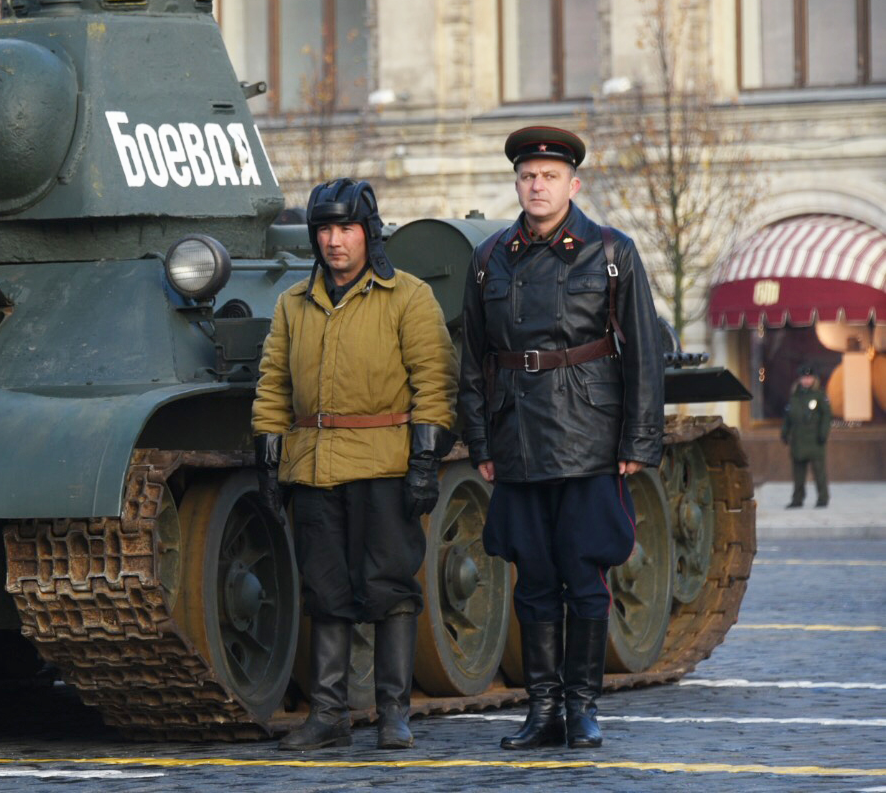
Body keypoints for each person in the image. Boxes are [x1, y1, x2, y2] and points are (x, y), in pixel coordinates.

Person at [457, 127, 663, 751]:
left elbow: (643, 355)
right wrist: (481, 444)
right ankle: (542, 710)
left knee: (585, 575)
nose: (537, 185)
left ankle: (582, 710)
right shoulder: (491, 258)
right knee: (535, 578)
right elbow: (473, 359)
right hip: (517, 437)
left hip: (590, 436)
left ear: (574, 185)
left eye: (549, 176)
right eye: (527, 176)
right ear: (516, 184)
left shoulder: (611, 252)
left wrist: (638, 441)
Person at [252, 178, 456, 751]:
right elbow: (273, 384)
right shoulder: (294, 302)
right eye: (324, 230)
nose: (334, 242)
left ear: (369, 233)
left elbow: (434, 382)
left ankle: (394, 713)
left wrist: (424, 462)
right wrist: (269, 452)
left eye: (346, 229)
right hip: (315, 467)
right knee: (325, 591)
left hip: (384, 465)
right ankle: (330, 715)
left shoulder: (408, 296)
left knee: (389, 588)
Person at [783, 365, 831, 509]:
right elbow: (788, 417)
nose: (806, 380)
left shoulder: (819, 395)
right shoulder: (795, 396)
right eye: (804, 377)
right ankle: (797, 499)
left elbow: (826, 416)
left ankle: (823, 498)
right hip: (798, 440)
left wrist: (823, 434)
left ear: (813, 379)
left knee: (819, 472)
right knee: (798, 474)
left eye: (809, 377)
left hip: (815, 440)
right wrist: (784, 433)